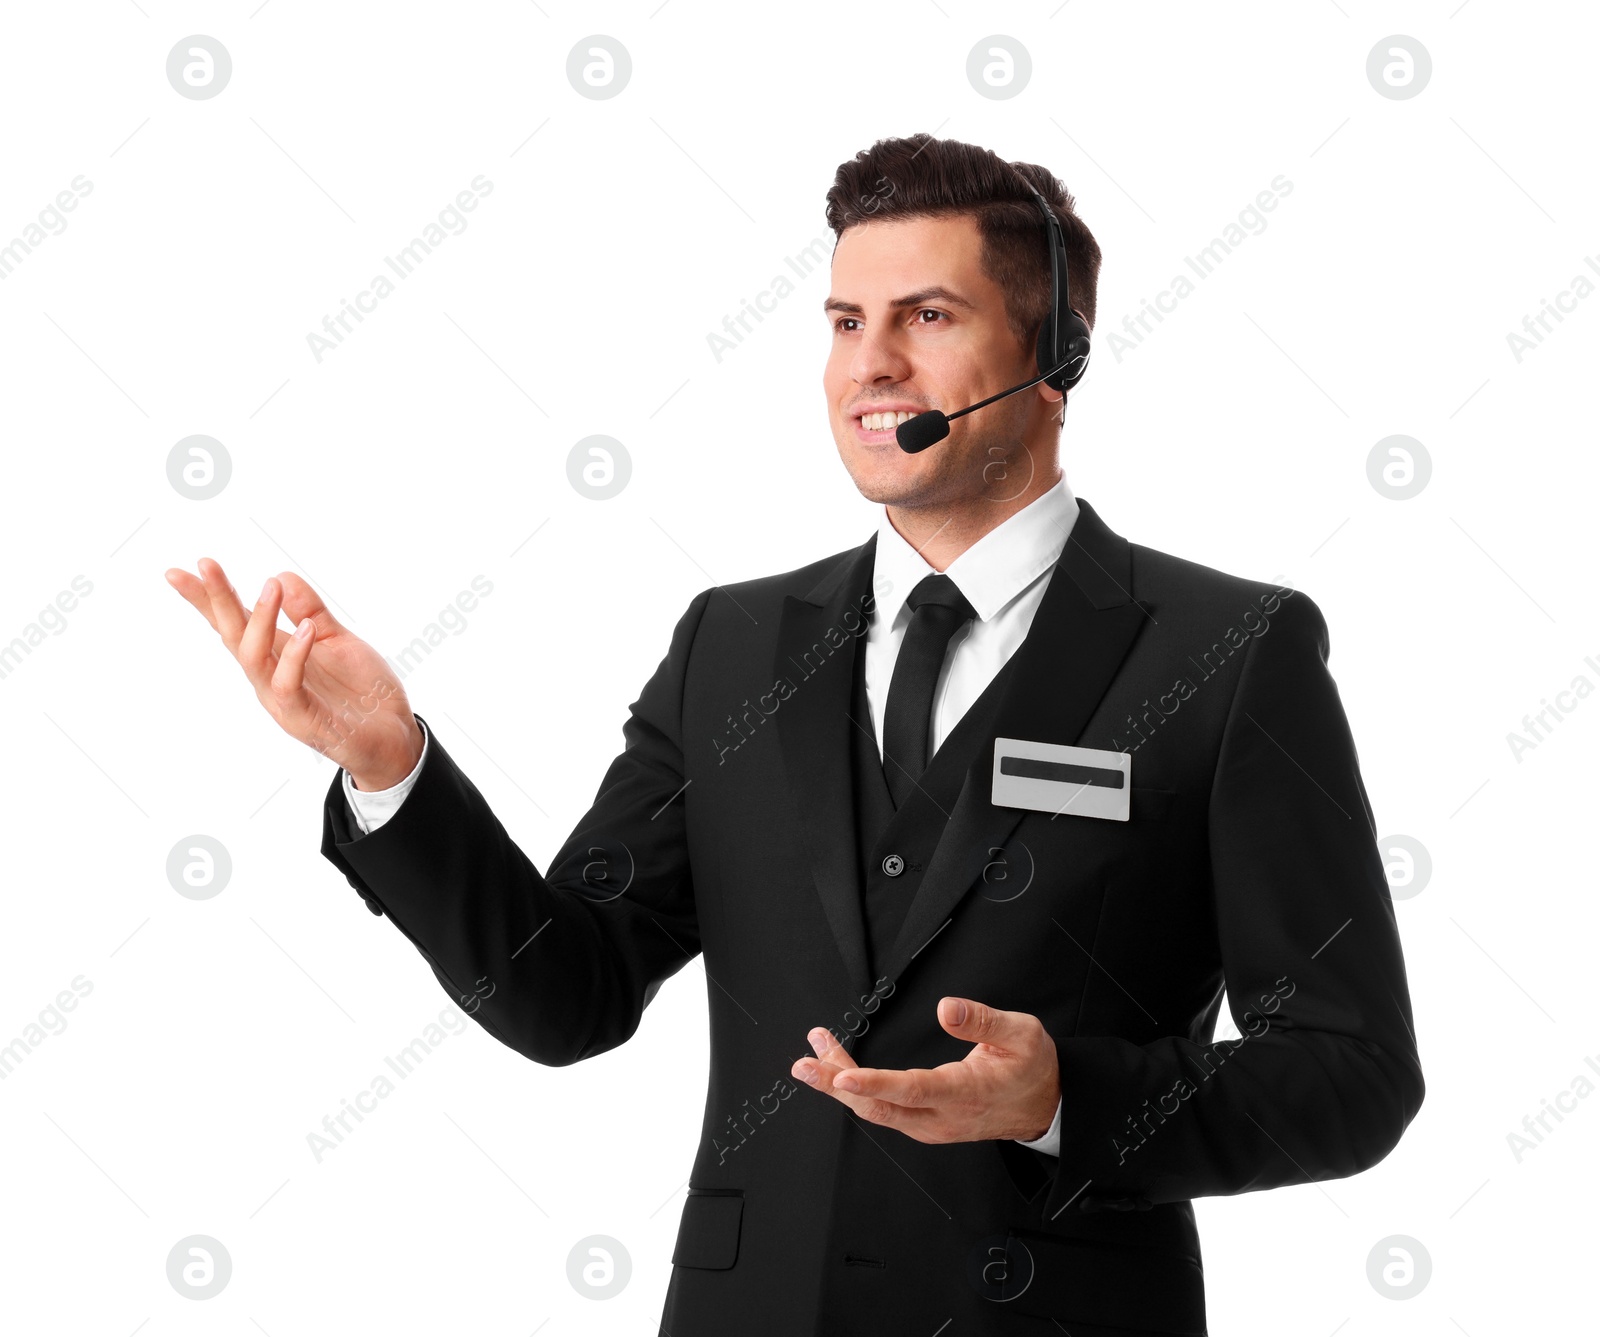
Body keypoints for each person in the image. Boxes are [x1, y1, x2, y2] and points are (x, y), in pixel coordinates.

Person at [166, 133, 1424, 1336]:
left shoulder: (1228, 649)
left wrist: (1062, 1097)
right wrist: (392, 767)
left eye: (926, 317)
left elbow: (1352, 1072)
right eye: (843, 322)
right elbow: (567, 991)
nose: (870, 363)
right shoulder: (732, 646)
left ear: (1056, 357)